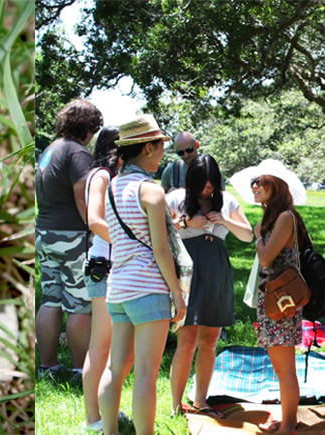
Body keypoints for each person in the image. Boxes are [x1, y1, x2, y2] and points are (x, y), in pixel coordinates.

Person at [97, 114, 186, 435]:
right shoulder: (150, 191)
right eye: (161, 146)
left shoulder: (111, 186)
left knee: (115, 368)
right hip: (148, 287)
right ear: (148, 148)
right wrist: (177, 294)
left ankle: (108, 431)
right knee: (147, 373)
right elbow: (161, 250)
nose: (163, 152)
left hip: (117, 287)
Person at [166, 154, 253, 418]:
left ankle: (201, 400)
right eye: (202, 184)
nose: (207, 189)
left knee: (210, 341)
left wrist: (224, 220)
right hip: (187, 271)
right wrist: (185, 222)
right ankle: (175, 404)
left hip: (216, 270)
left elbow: (247, 235)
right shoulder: (175, 199)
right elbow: (157, 229)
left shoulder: (227, 202)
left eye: (211, 183)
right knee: (187, 339)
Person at [230, 160, 307, 433]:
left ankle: (288, 424)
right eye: (254, 182)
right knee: (279, 365)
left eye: (262, 182)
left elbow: (265, 258)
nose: (255, 186)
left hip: (282, 303)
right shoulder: (274, 218)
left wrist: (259, 236)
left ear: (277, 186)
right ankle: (288, 418)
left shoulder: (285, 217)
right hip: (273, 300)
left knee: (285, 367)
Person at [35, 99, 103, 381]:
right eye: (94, 128)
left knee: (50, 299)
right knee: (79, 304)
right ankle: (79, 369)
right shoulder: (78, 153)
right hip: (72, 235)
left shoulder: (49, 151)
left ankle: (47, 365)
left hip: (44, 232)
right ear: (86, 126)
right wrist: (93, 225)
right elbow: (81, 195)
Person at [81, 126, 121, 431]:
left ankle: (104, 412)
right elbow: (94, 220)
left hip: (111, 264)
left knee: (109, 346)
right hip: (104, 266)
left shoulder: (108, 177)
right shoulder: (102, 177)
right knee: (100, 345)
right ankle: (92, 418)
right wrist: (127, 241)